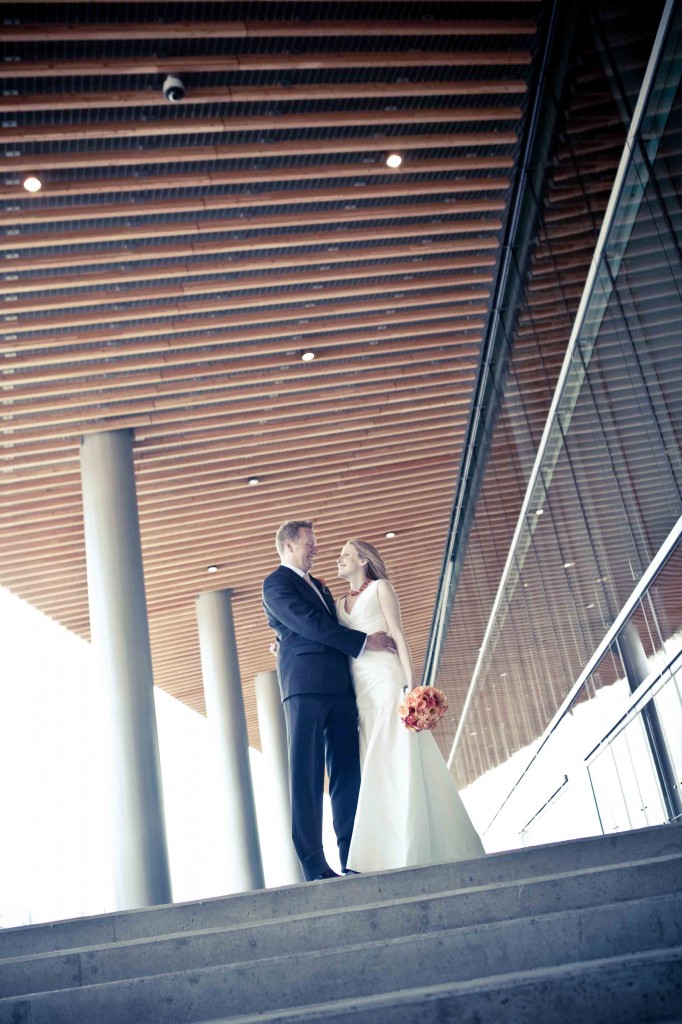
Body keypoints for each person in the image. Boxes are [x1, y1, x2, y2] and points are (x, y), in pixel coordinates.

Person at [336, 538, 485, 873]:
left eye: (345, 555)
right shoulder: (337, 603)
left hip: (387, 681)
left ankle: (413, 844)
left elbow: (398, 635)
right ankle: (385, 850)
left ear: (363, 559)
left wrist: (412, 686)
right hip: (360, 689)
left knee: (395, 756)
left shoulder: (381, 588)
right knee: (375, 762)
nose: (338, 560)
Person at [262, 520, 396, 881]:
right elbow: (306, 624)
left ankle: (353, 857)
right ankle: (314, 865)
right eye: (309, 543)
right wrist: (365, 642)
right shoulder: (275, 583)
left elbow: (303, 627)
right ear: (289, 545)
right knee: (306, 775)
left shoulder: (320, 586)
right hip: (304, 687)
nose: (315, 549)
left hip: (339, 688)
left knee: (346, 775)